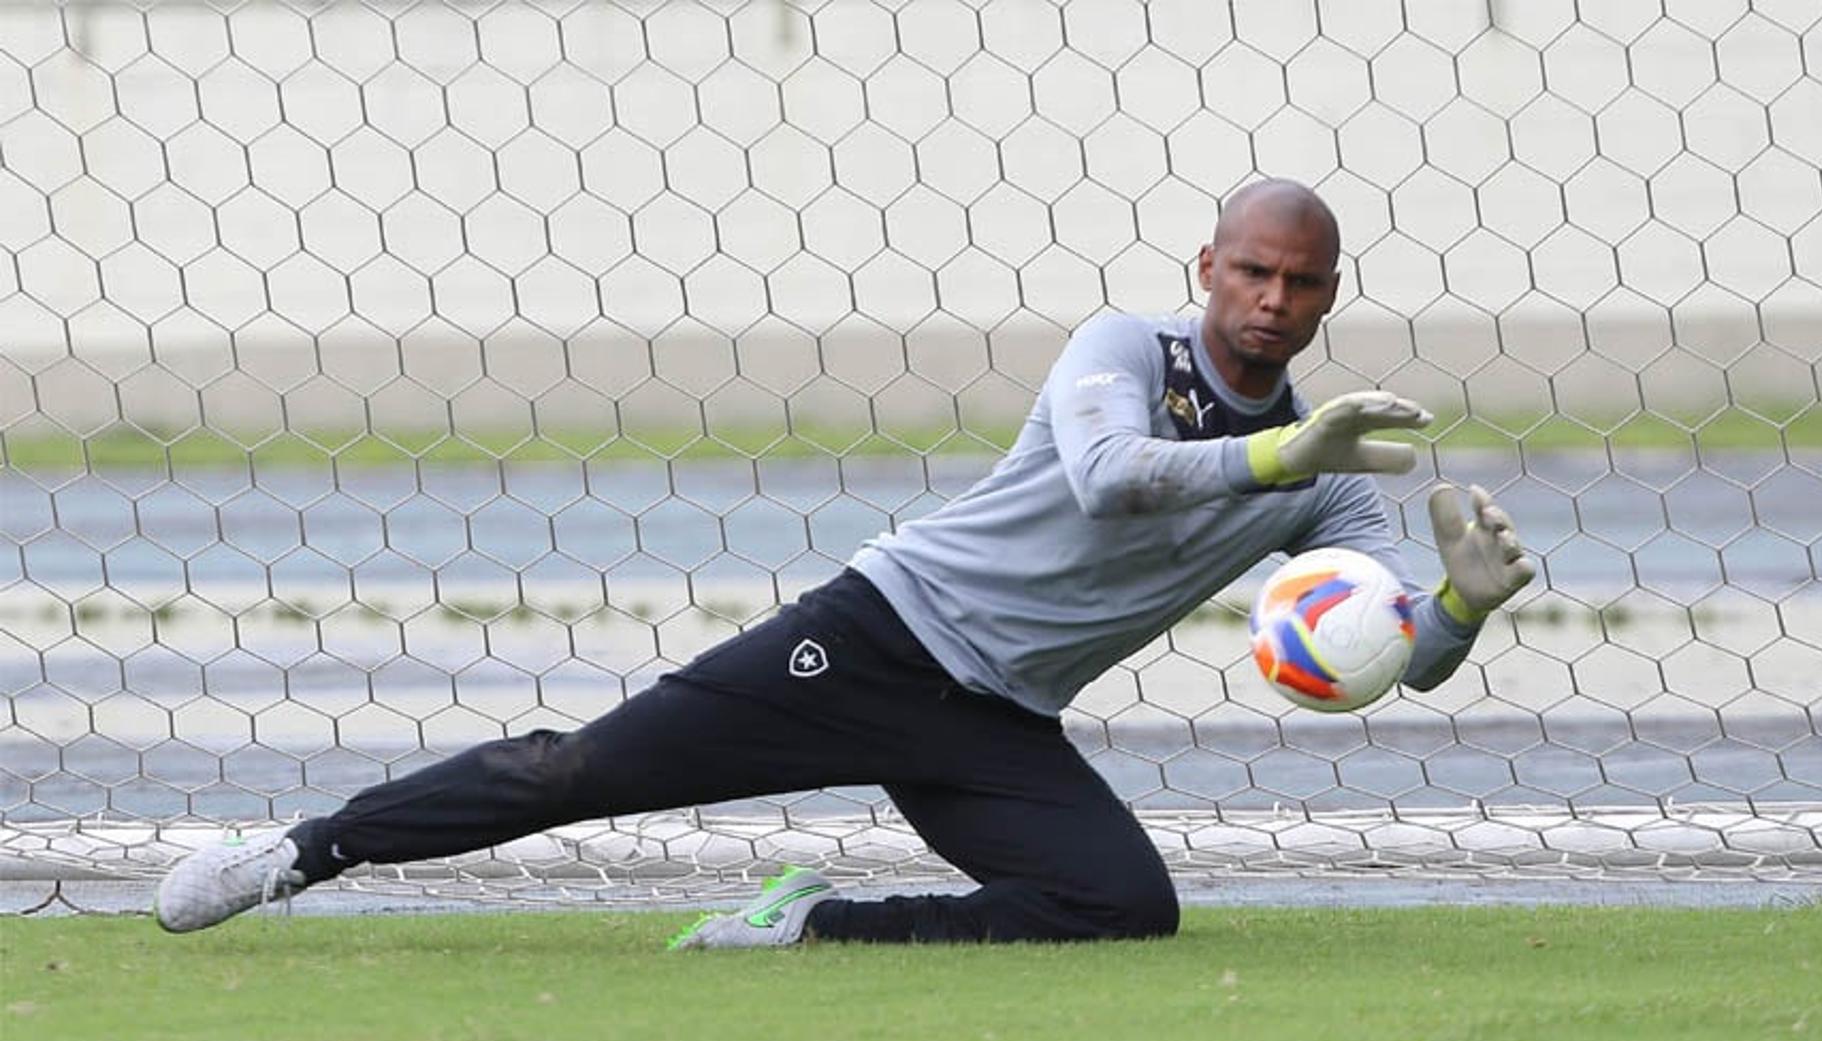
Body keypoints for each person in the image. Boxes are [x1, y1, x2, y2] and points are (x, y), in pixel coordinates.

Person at [155, 178, 1534, 945]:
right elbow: (1115, 484)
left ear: (1328, 296)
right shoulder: (1127, 351)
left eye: (1299, 284)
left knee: (1122, 905)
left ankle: (802, 924)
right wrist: (1288, 460)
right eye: (1251, 272)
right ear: (1208, 267)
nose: (1270, 302)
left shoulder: (1329, 466)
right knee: (578, 774)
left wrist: (1462, 606)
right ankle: (288, 852)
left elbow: (1390, 655)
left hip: (995, 719)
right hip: (874, 635)